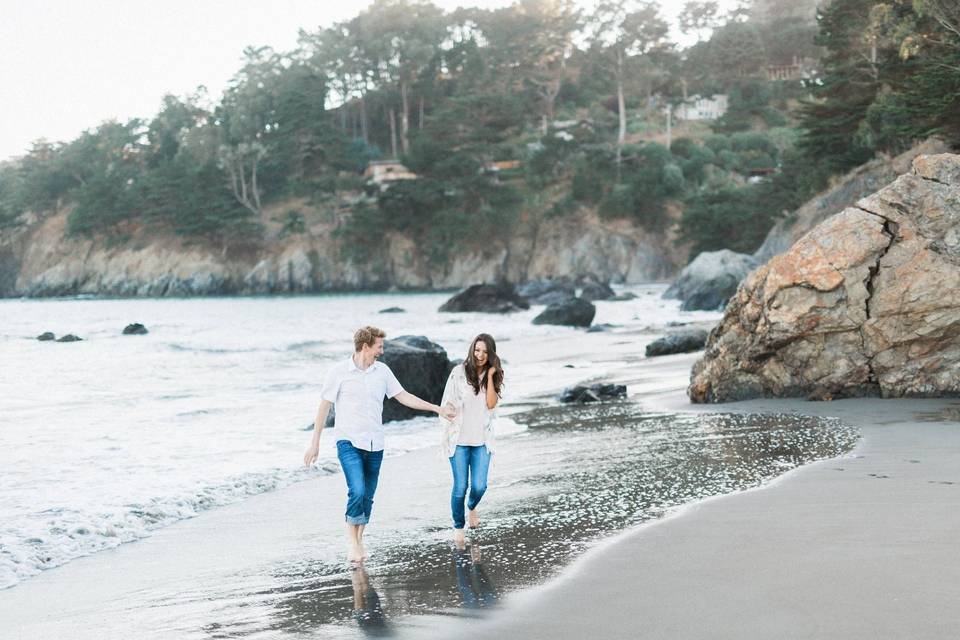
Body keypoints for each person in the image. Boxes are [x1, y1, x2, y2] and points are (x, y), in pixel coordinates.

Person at [304, 325, 456, 563]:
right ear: (365, 347)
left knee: (368, 497)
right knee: (357, 489)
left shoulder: (382, 372)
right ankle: (352, 541)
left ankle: (359, 538)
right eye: (379, 346)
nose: (382, 351)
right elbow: (324, 407)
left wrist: (436, 408)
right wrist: (315, 443)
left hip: (376, 443)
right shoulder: (338, 372)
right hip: (348, 442)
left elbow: (403, 396)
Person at [439, 333, 503, 546]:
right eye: (477, 350)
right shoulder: (458, 373)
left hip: (482, 440)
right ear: (472, 350)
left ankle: (472, 507)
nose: (480, 355)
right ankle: (458, 527)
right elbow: (447, 401)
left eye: (485, 351)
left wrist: (492, 376)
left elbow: (491, 405)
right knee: (460, 486)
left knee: (479, 486)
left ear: (491, 353)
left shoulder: (491, 374)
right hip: (458, 440)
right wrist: (448, 411)